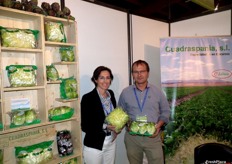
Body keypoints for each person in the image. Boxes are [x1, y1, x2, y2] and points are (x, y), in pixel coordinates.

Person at [118, 60, 170, 164]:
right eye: (136, 72)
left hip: (153, 137)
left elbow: (166, 112)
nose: (139, 74)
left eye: (142, 71)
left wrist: (158, 126)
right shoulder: (125, 92)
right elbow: (120, 113)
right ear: (132, 74)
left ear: (148, 73)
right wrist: (124, 124)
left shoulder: (157, 92)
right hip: (133, 138)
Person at [81, 66, 118, 164]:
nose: (105, 81)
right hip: (94, 144)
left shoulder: (111, 94)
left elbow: (114, 115)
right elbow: (85, 126)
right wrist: (105, 126)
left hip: (111, 141)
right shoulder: (88, 98)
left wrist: (119, 125)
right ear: (95, 79)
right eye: (101, 78)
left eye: (108, 77)